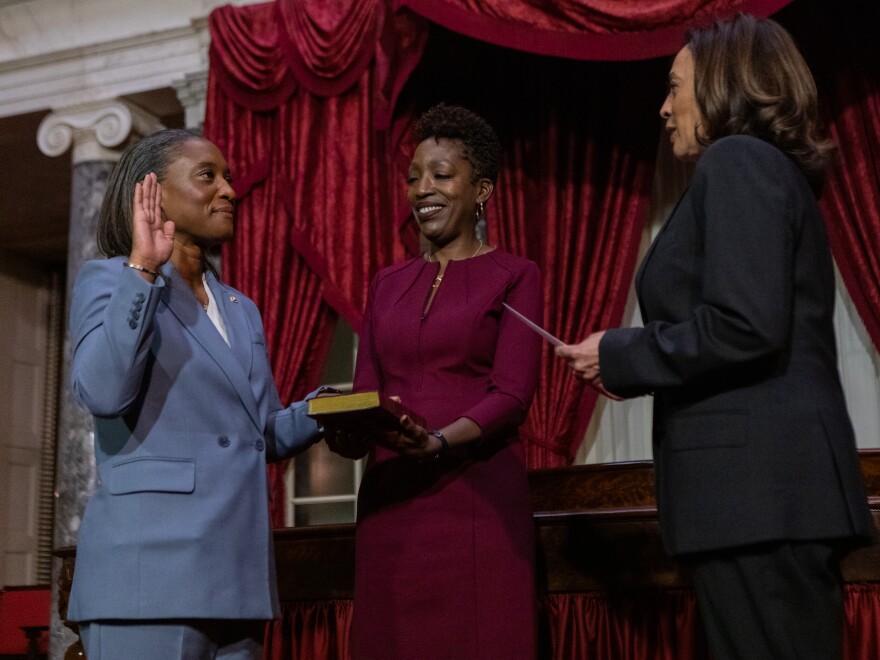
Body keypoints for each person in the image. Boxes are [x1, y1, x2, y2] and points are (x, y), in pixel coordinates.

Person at [557, 14, 875, 660]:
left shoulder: (737, 161)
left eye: (675, 87)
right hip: (761, 501)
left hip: (760, 500)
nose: (664, 107)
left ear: (724, 84)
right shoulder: (761, 169)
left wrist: (622, 354)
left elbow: (744, 325)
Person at [67, 128, 325, 659]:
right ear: (152, 191)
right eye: (209, 176)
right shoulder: (111, 280)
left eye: (228, 177)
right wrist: (143, 269)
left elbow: (259, 431)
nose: (229, 189)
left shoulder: (239, 307)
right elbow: (102, 391)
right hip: (148, 580)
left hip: (237, 578)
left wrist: (328, 411)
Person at [325, 104, 543, 659]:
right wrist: (345, 428)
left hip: (477, 501)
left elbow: (513, 394)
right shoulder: (386, 281)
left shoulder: (516, 275)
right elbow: (368, 390)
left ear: (482, 190)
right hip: (390, 504)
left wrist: (440, 441)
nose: (423, 188)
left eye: (441, 175)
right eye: (414, 177)